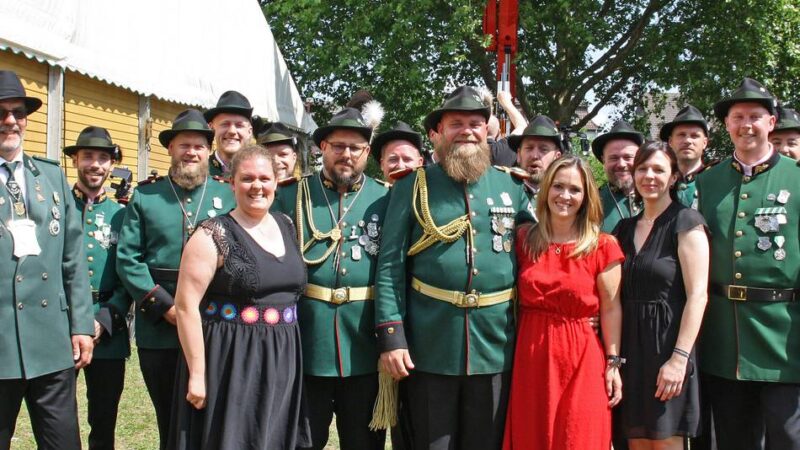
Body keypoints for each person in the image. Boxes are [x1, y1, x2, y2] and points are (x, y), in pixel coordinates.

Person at [376, 86, 531, 450]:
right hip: (431, 344)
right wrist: (392, 336)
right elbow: (390, 266)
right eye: (456, 124)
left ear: (487, 130)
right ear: (438, 132)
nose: (467, 131)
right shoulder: (413, 185)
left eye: (475, 124)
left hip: (495, 344)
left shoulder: (510, 184)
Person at [169, 145, 310, 449]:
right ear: (232, 183)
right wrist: (197, 373)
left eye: (264, 178)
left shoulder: (286, 225)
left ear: (276, 182)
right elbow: (185, 306)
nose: (257, 186)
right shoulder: (212, 234)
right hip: (233, 360)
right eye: (247, 179)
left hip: (282, 356)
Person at [116, 109, 235, 450]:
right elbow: (128, 258)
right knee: (169, 420)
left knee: (213, 416)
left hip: (214, 322)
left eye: (198, 146)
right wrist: (165, 307)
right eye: (184, 145)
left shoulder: (228, 194)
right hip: (160, 328)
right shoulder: (146, 196)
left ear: (209, 151)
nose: (191, 153)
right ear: (170, 148)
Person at [273, 107, 389, 450]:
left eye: (355, 147)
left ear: (367, 152)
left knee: (364, 443)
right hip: (307, 342)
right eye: (338, 146)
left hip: (364, 344)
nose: (346, 154)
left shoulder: (385, 197)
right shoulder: (290, 194)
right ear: (321, 147)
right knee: (303, 441)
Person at [696, 78, 800, 450]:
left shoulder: (796, 178)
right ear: (727, 124)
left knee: (788, 438)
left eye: (755, 116)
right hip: (725, 337)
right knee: (733, 439)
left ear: (771, 122)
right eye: (738, 117)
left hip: (785, 337)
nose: (746, 125)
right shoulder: (708, 183)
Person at [0, 69, 94, 450]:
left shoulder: (52, 177)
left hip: (52, 343)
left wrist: (82, 324)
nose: (10, 121)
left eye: (18, 113)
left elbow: (73, 257)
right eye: (1, 112)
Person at [502, 155, 624, 450]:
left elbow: (611, 308)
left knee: (577, 437)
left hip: (581, 357)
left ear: (586, 196)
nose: (565, 196)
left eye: (575, 189)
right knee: (532, 437)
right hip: (531, 357)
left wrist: (613, 363)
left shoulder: (602, 246)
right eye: (558, 186)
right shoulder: (524, 240)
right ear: (546, 190)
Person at [613, 142, 709, 449]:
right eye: (642, 168)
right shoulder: (623, 229)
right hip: (630, 349)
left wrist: (679, 359)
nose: (649, 176)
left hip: (668, 348)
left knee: (666, 441)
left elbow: (698, 296)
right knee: (636, 441)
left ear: (673, 177)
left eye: (658, 169)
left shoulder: (686, 222)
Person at [64, 126, 131, 450]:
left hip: (108, 329)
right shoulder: (58, 207)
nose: (95, 164)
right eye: (88, 156)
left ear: (111, 164)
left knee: (104, 419)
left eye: (103, 158)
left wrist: (103, 321)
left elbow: (128, 274)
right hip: (62, 327)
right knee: (59, 420)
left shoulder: (122, 215)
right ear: (75, 159)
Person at [593, 120, 644, 233]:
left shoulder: (659, 198)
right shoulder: (592, 203)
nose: (621, 164)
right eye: (614, 158)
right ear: (603, 160)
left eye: (628, 157)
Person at [659, 105, 711, 208]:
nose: (687, 141)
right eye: (681, 135)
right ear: (670, 142)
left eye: (694, 136)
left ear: (704, 143)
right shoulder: (660, 180)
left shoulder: (715, 180)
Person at [507, 114, 564, 201]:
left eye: (543, 149)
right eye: (529, 148)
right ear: (518, 155)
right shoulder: (503, 189)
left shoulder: (563, 199)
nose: (534, 156)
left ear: (557, 157)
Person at [205, 90, 254, 177]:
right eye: (225, 124)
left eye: (239, 125)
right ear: (212, 128)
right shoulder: (200, 173)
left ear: (249, 132)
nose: (232, 131)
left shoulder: (261, 173)